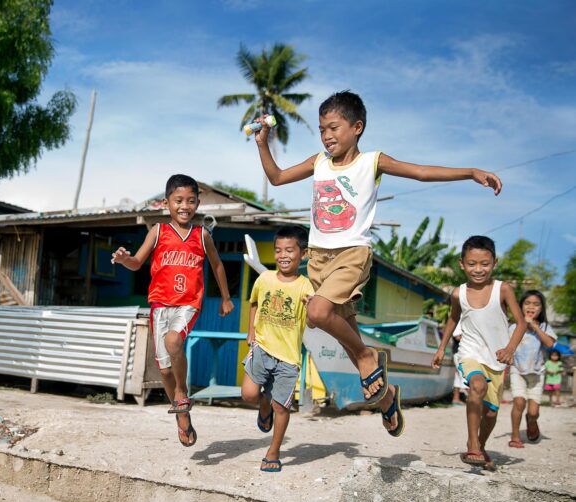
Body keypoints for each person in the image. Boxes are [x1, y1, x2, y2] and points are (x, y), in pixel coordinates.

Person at [252, 91, 502, 437]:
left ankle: (368, 356)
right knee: (347, 340)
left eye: (334, 128)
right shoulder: (318, 162)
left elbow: (421, 172)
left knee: (318, 313)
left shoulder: (371, 161)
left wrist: (470, 172)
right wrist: (262, 145)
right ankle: (387, 399)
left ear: (357, 127)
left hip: (351, 255)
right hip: (319, 258)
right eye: (322, 129)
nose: (326, 136)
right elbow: (277, 177)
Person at [112, 174, 234, 447]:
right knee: (164, 370)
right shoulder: (158, 231)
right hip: (160, 304)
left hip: (189, 303)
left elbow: (217, 265)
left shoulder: (202, 235)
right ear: (166, 203)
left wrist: (226, 298)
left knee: (173, 340)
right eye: (178, 200)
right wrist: (124, 259)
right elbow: (137, 262)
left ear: (198, 204)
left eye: (190, 201)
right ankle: (181, 413)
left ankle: (182, 391)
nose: (184, 206)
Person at [433, 236, 526, 469]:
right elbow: (453, 319)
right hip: (470, 352)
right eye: (472, 264)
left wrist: (510, 349)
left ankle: (481, 447)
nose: (478, 269)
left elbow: (521, 322)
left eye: (485, 264)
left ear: (494, 263)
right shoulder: (459, 293)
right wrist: (442, 348)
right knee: (477, 386)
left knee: (491, 413)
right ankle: (472, 443)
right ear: (462, 264)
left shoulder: (503, 289)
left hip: (496, 359)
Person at [241, 226, 314, 472]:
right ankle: (264, 405)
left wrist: (311, 307)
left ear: (303, 254)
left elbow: (313, 323)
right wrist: (251, 332)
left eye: (289, 250)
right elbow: (254, 303)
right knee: (248, 395)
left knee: (281, 406)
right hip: (262, 348)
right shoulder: (264, 279)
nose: (283, 255)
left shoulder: (306, 287)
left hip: (289, 358)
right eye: (278, 250)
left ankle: (273, 451)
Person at [508, 290, 556, 448]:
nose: (531, 307)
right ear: (520, 306)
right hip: (517, 371)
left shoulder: (544, 326)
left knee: (533, 412)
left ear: (541, 309)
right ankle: (515, 436)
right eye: (527, 303)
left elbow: (549, 344)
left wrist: (535, 326)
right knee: (519, 402)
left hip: (537, 373)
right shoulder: (513, 327)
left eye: (536, 304)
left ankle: (531, 421)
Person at [450, 326, 467, 406]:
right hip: (459, 353)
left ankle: (456, 399)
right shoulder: (459, 323)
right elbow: (457, 336)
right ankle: (475, 399)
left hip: (460, 353)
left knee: (458, 377)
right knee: (464, 375)